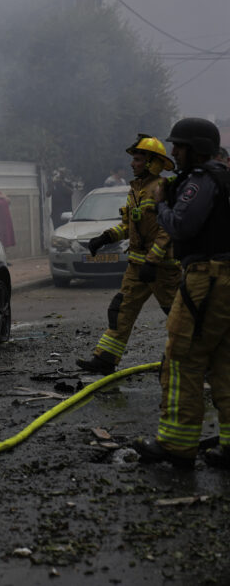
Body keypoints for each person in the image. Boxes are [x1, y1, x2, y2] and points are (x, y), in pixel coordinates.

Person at [131, 118, 230, 469]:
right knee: (222, 361)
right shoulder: (224, 176)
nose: (173, 152)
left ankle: (176, 444)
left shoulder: (202, 181)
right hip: (224, 279)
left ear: (197, 149)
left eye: (180, 146)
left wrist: (161, 204)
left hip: (207, 278)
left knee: (183, 357)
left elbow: (182, 225)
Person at [77, 135, 178, 375]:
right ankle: (105, 359)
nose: (132, 164)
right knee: (120, 310)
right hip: (137, 268)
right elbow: (129, 226)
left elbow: (167, 230)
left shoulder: (163, 189)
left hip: (162, 269)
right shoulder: (136, 190)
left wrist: (152, 261)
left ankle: (200, 360)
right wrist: (104, 238)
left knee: (180, 316)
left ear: (152, 163)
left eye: (138, 159)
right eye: (133, 159)